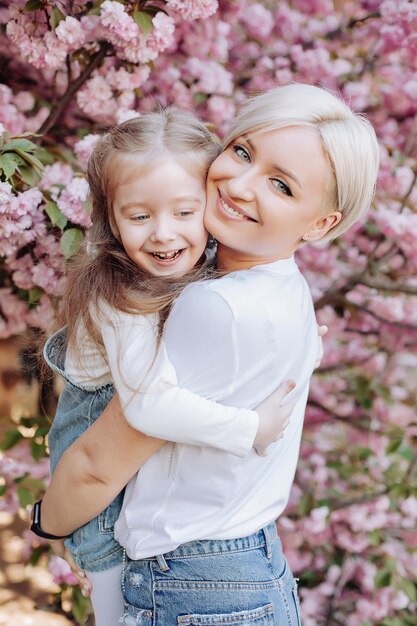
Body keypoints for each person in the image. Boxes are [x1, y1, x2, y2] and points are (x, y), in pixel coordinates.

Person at [39, 84, 379, 625]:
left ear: (321, 224)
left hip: (193, 581)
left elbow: (98, 466)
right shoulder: (279, 285)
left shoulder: (213, 306)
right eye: (242, 151)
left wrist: (47, 523)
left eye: (280, 185)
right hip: (249, 569)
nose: (239, 185)